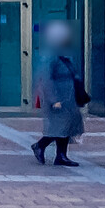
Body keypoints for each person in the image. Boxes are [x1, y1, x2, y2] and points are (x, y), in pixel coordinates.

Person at [30, 20, 86, 167]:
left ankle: (61, 155)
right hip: (58, 98)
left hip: (68, 98)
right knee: (58, 127)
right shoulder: (50, 56)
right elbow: (46, 79)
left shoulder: (65, 54)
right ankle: (40, 146)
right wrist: (53, 99)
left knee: (65, 127)